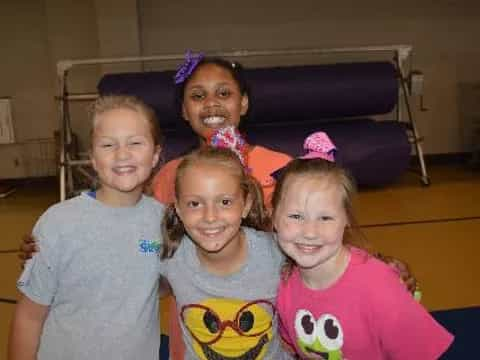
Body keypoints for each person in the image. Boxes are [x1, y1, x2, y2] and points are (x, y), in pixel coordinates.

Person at [8, 95, 165, 360]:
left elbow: (158, 282)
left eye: (136, 143)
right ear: (92, 158)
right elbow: (29, 317)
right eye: (108, 145)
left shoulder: (163, 220)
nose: (122, 154)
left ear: (155, 155)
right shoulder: (58, 223)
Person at [271, 132, 454, 359]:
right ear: (274, 218)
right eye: (296, 216)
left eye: (325, 218)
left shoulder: (378, 287)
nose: (309, 232)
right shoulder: (283, 284)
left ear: (346, 219)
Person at [159, 146, 293, 359]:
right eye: (194, 204)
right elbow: (138, 250)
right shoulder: (170, 255)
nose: (210, 217)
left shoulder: (277, 252)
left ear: (246, 205)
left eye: (225, 202)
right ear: (178, 209)